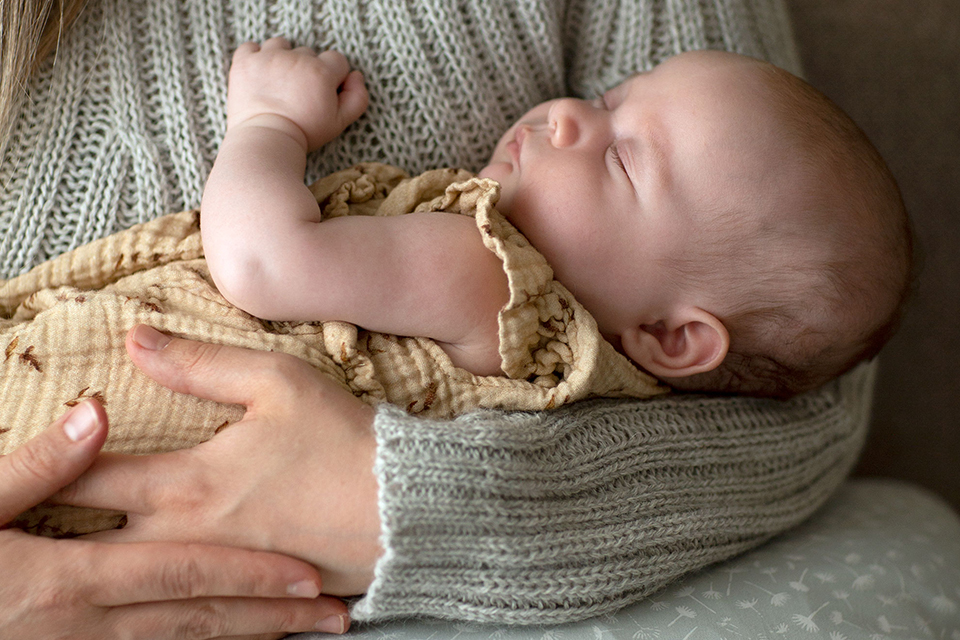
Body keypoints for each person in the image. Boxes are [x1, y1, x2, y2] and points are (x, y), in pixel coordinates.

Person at [0, 0, 890, 636]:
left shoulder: (490, 275)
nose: (573, 116)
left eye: (621, 159)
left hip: (88, 417)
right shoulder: (565, 351)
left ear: (673, 340)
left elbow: (264, 263)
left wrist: (268, 124)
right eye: (611, 99)